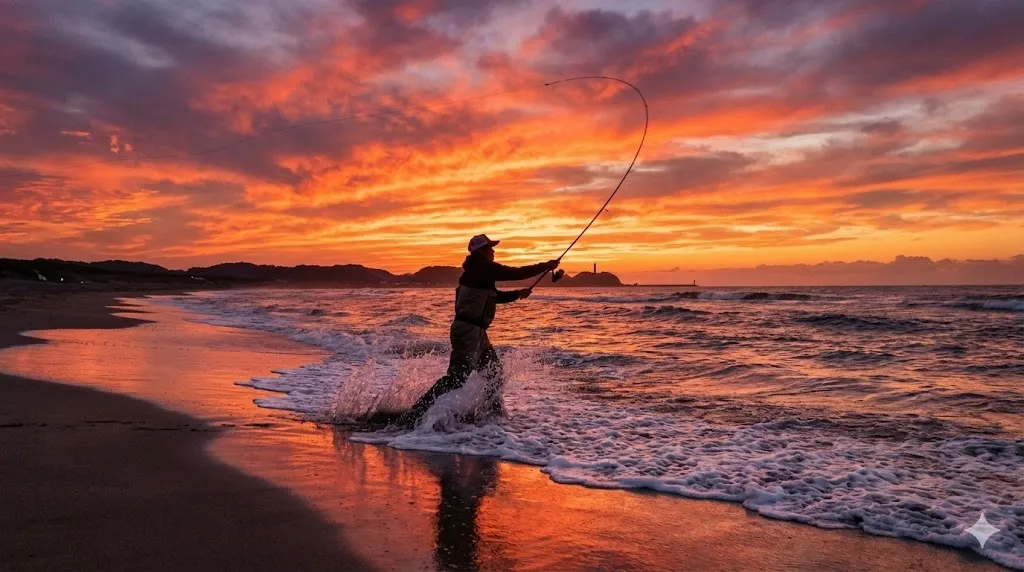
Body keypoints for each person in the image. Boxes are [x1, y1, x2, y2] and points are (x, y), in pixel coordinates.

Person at [397, 234, 558, 426]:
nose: (493, 251)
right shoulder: (482, 268)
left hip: (477, 333)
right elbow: (515, 273)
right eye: (490, 247)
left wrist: (517, 294)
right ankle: (414, 414)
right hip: (468, 332)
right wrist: (545, 266)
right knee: (456, 379)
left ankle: (490, 416)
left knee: (494, 375)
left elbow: (495, 296)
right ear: (482, 251)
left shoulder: (477, 271)